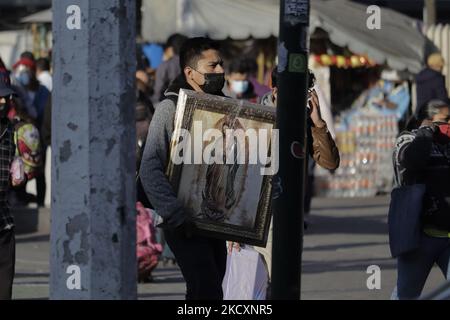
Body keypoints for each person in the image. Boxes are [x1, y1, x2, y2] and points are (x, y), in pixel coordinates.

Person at [227, 67, 340, 298]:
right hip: (256, 216)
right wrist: (233, 228)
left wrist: (318, 123)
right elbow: (235, 173)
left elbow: (329, 163)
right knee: (255, 286)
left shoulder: (305, 120)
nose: (305, 98)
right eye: (301, 92)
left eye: (307, 92)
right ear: (277, 91)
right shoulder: (254, 116)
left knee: (281, 286)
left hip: (289, 216)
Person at [139, 37, 227, 300]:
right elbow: (150, 167)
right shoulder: (170, 109)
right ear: (190, 73)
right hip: (183, 221)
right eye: (213, 66)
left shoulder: (227, 107)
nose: (221, 71)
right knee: (206, 287)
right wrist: (174, 212)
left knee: (211, 288)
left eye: (221, 64)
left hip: (216, 220)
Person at [391, 99, 450, 300]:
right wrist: (426, 134)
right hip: (419, 236)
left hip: (447, 234)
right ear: (427, 120)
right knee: (405, 294)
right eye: (446, 120)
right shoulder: (408, 140)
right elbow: (412, 164)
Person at [0, 77, 19, 300]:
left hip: (3, 218)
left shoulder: (13, 131)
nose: (4, 101)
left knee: (4, 283)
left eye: (6, 97)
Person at [151, 33, 188, 104]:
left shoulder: (166, 65)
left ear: (170, 49)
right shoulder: (190, 64)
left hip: (169, 103)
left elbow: (158, 91)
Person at [415, 53, 449, 120]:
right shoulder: (437, 78)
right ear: (439, 64)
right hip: (435, 114)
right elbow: (442, 97)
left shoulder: (421, 75)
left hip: (420, 111)